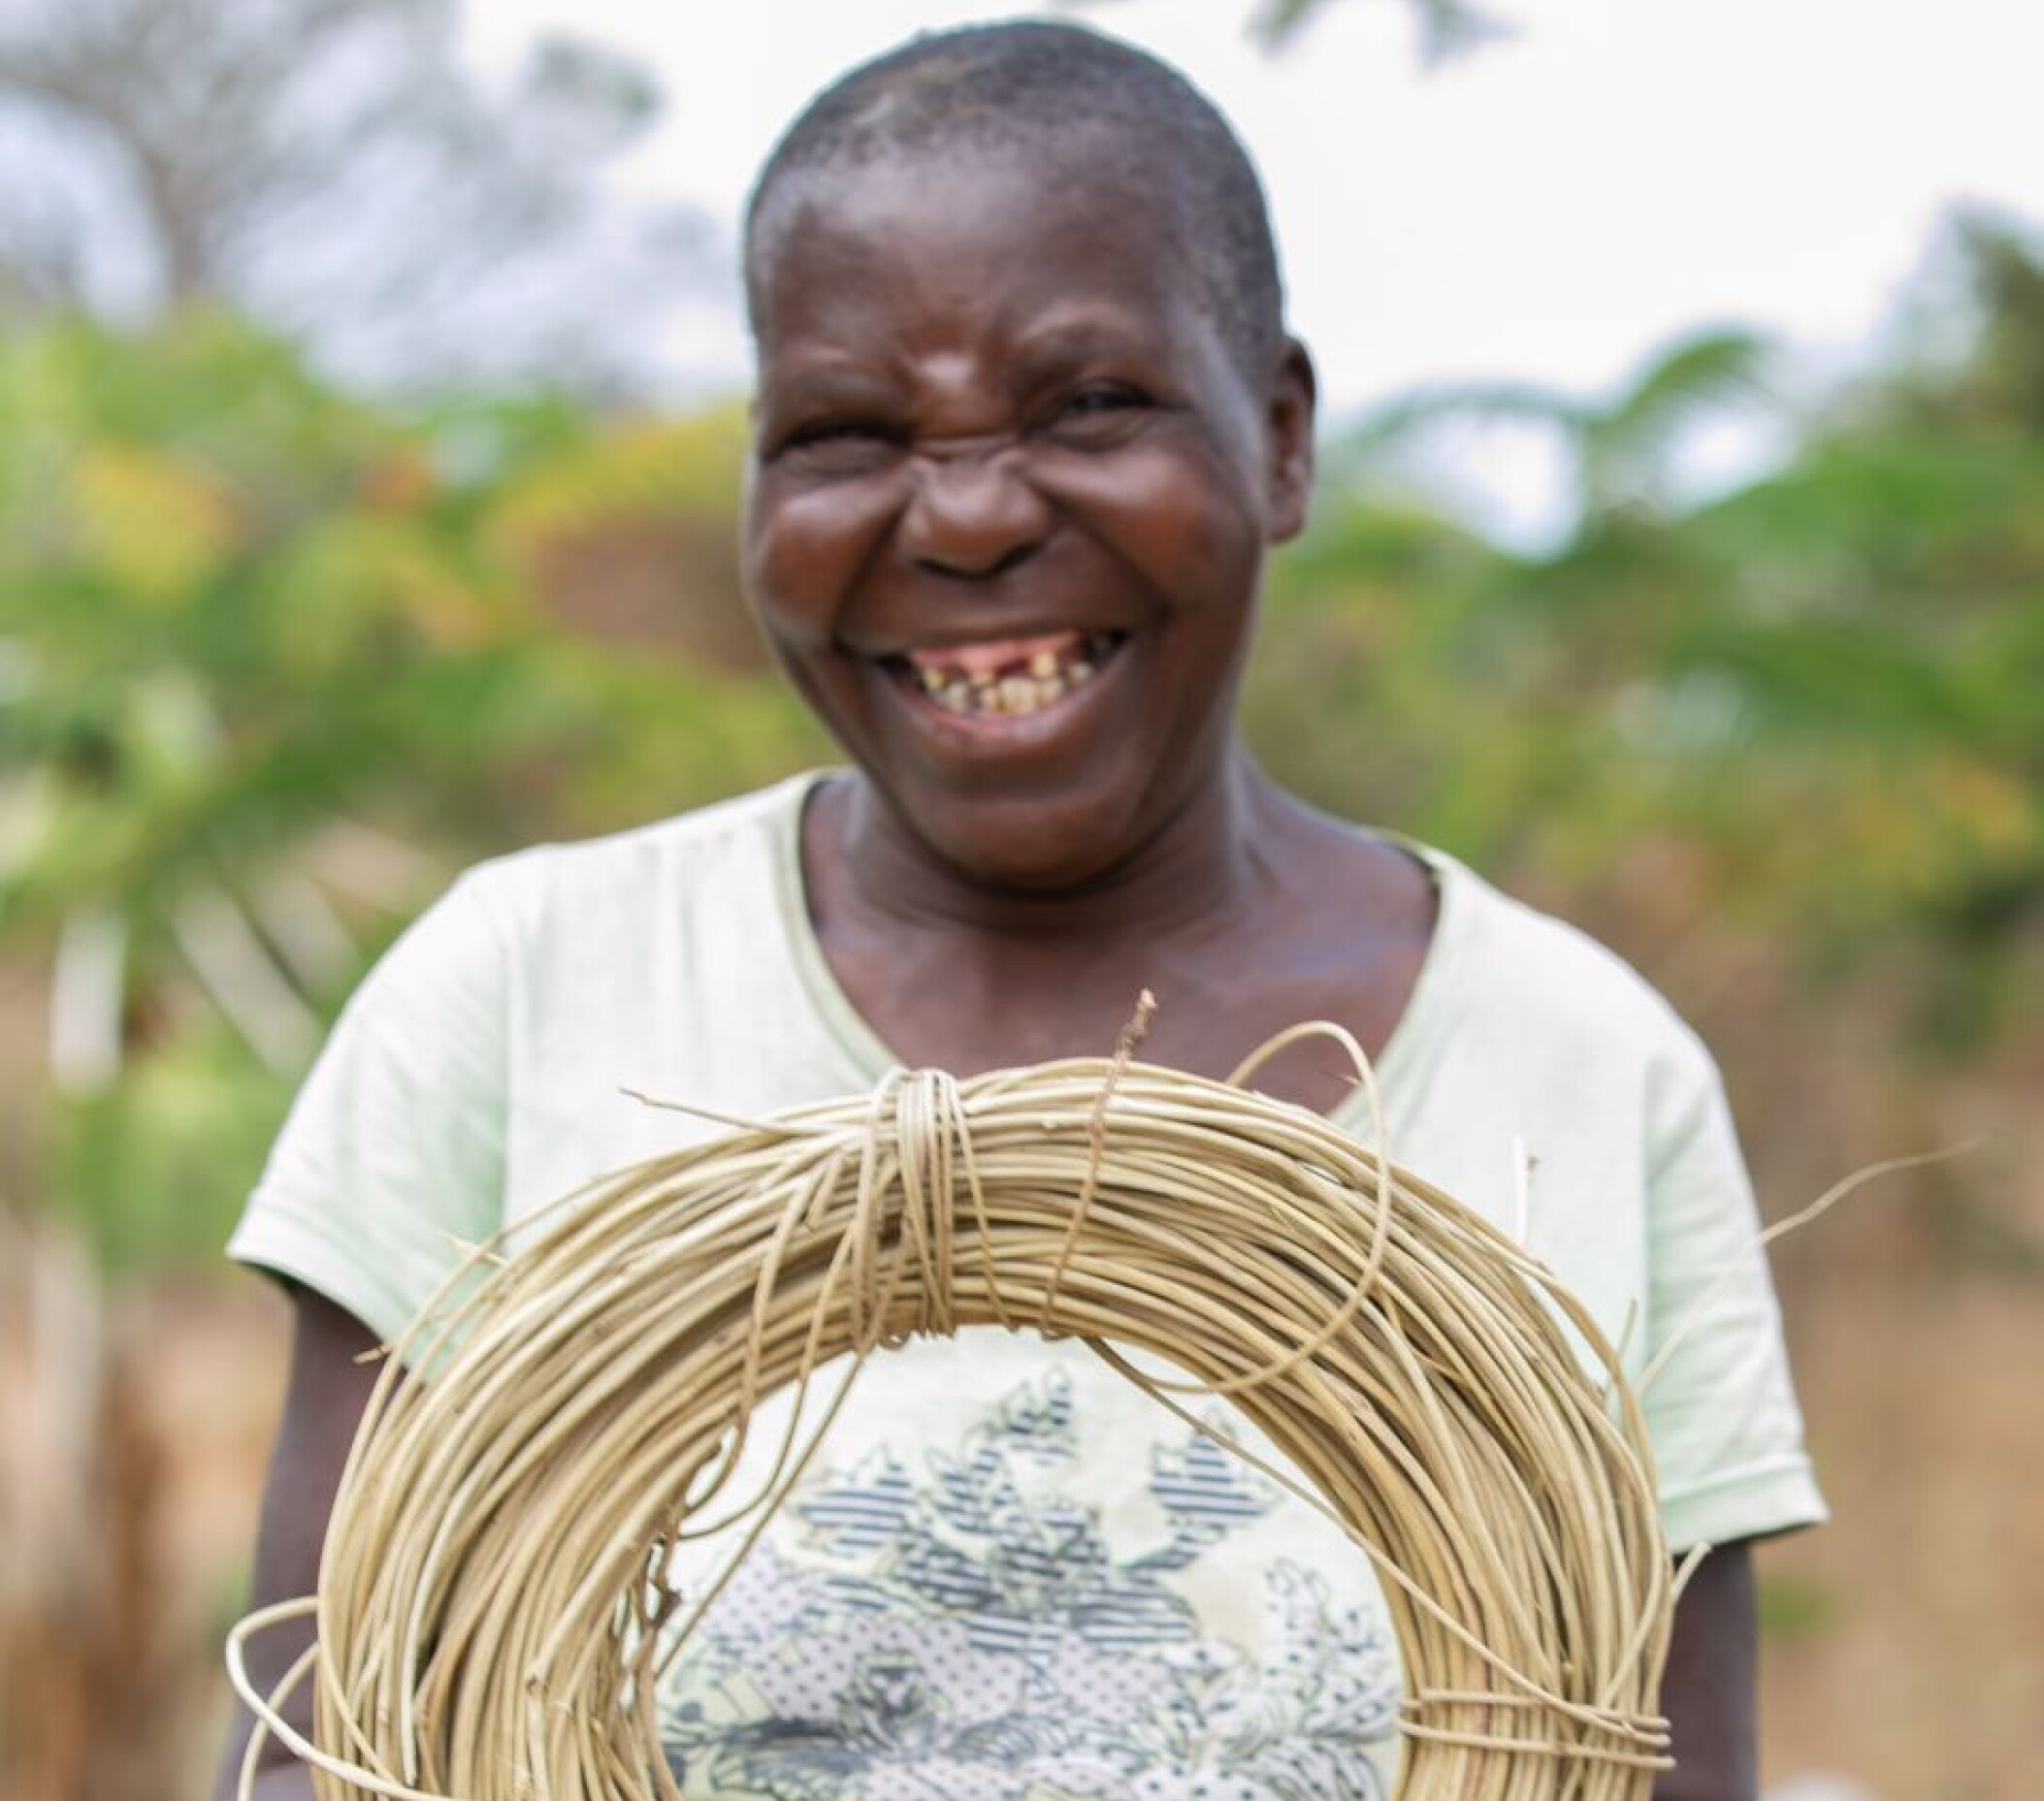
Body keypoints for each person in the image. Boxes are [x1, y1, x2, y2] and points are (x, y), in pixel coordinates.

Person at [217, 19, 1824, 1801]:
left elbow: (1661, 1769)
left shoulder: (1583, 1069)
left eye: (1087, 405)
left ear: (1280, 441)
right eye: (844, 432)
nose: (969, 515)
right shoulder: (520, 998)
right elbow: (318, 1754)